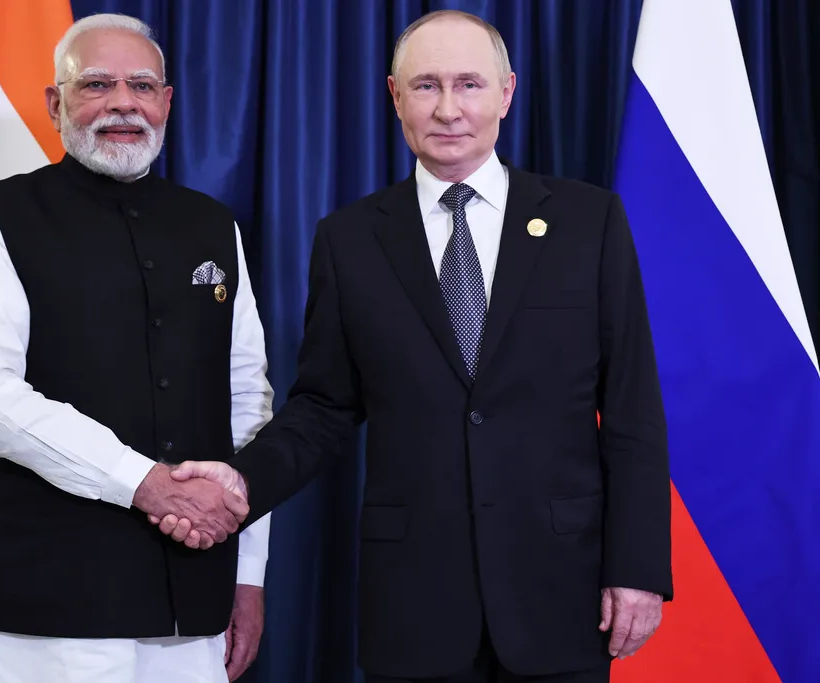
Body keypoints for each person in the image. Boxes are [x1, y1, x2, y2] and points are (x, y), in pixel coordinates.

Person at [151, 10, 672, 683]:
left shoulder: (588, 221)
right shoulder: (350, 238)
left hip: (561, 595)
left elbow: (633, 412)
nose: (449, 108)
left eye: (469, 84)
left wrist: (637, 569)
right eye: (425, 86)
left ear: (507, 92)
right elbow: (324, 407)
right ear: (395, 97)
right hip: (417, 605)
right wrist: (244, 481)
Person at [0, 12, 271, 683]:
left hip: (190, 610)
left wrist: (250, 573)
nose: (123, 102)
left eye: (142, 86)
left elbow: (245, 404)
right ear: (55, 104)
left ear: (167, 102)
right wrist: (144, 484)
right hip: (33, 616)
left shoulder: (212, 225)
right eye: (97, 85)